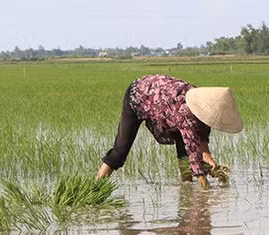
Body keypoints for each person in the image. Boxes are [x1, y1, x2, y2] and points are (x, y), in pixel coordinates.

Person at [96, 74, 244, 186]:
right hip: (138, 95)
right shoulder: (187, 112)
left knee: (183, 148)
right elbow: (194, 156)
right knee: (120, 150)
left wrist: (207, 156)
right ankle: (96, 185)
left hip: (166, 103)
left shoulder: (203, 103)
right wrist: (206, 192)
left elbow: (202, 131)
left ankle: (186, 187)